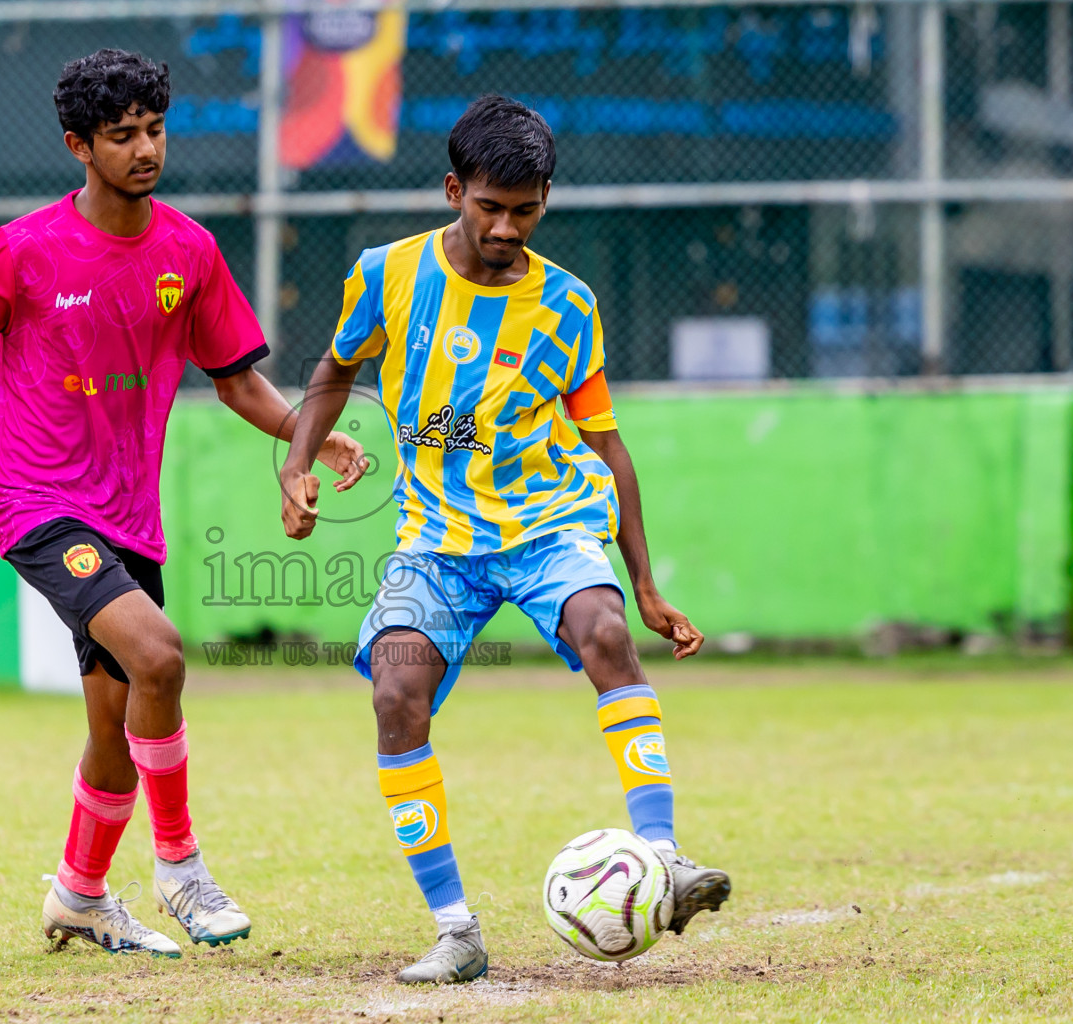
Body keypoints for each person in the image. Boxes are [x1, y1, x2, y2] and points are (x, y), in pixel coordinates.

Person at [0, 49, 364, 958]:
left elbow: (236, 380)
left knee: (118, 723)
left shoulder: (190, 248)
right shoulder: (22, 248)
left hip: (126, 515)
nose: (145, 149)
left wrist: (310, 434)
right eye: (122, 136)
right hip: (34, 498)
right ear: (78, 146)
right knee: (162, 653)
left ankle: (78, 893)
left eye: (154, 130)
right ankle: (181, 868)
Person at [277, 94, 731, 984]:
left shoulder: (567, 304)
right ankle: (456, 929)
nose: (506, 226)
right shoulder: (387, 274)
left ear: (546, 200)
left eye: (526, 210)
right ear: (455, 189)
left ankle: (665, 858)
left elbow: (608, 443)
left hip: (549, 525)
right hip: (437, 542)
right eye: (490, 206)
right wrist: (293, 464)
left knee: (605, 634)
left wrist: (643, 587)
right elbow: (333, 372)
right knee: (396, 694)